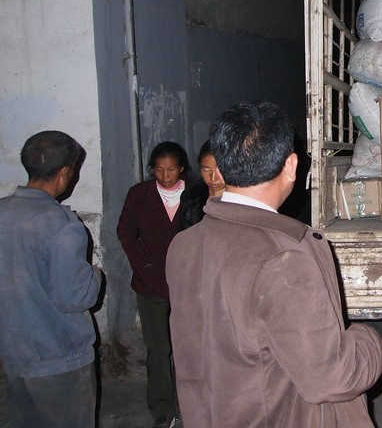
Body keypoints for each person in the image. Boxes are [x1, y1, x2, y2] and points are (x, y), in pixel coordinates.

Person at [166, 101, 382, 427]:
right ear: (291, 166)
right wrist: (369, 342)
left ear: (220, 169)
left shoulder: (183, 246)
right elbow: (330, 376)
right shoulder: (284, 259)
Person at [0, 131, 102, 427]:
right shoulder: (62, 225)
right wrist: (96, 275)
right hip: (59, 359)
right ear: (65, 173)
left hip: (14, 354)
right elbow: (75, 298)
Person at [117, 141, 189, 428]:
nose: (165, 175)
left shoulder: (195, 195)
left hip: (188, 285)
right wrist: (142, 264)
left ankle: (188, 402)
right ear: (151, 170)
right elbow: (125, 232)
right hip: (150, 285)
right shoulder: (140, 194)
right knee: (158, 349)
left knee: (187, 347)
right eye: (159, 170)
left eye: (171, 170)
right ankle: (162, 408)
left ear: (181, 169)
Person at [179, 140, 225, 230]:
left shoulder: (241, 197)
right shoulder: (191, 196)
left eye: (220, 170)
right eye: (206, 170)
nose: (213, 178)